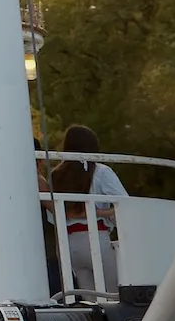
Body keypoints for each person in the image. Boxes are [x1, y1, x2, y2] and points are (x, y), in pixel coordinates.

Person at [50, 123, 127, 293]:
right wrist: (100, 212)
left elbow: (53, 214)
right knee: (113, 296)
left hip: (69, 244)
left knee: (89, 300)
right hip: (96, 238)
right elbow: (126, 205)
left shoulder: (56, 174)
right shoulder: (101, 171)